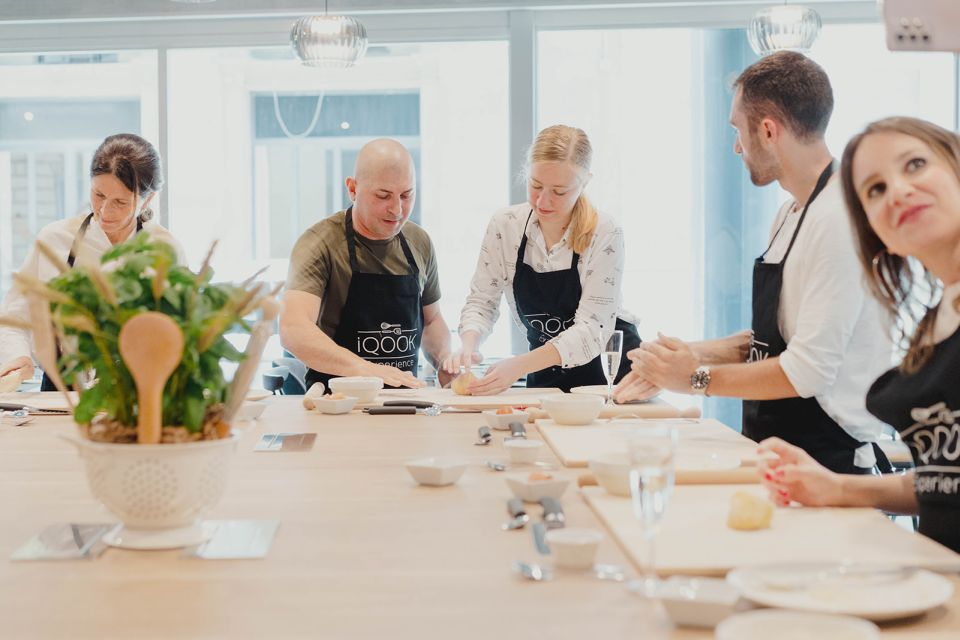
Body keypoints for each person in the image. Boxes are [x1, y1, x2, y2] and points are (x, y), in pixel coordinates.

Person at [614, 51, 892, 475]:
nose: (736, 147)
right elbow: (773, 338)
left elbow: (807, 371)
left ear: (767, 130)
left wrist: (694, 379)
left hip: (830, 461)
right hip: (778, 449)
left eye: (738, 130)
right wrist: (684, 355)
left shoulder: (838, 219)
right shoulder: (791, 214)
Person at [759, 116, 960, 553]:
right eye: (876, 190)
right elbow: (945, 481)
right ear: (879, 235)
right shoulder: (935, 324)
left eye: (915, 165)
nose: (898, 191)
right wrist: (835, 488)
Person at [442, 124, 641, 395]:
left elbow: (592, 330)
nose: (543, 200)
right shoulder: (505, 225)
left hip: (608, 379)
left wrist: (518, 366)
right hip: (544, 374)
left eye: (559, 191)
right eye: (535, 185)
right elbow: (482, 302)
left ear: (585, 182)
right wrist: (468, 345)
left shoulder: (605, 232)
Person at [0, 133, 185, 390]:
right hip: (62, 393)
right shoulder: (55, 239)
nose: (104, 211)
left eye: (120, 202)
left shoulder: (165, 249)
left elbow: (181, 332)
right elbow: (13, 317)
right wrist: (17, 357)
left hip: (140, 391)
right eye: (98, 195)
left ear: (148, 199)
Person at [280, 138, 452, 390]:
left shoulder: (419, 241)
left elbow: (432, 321)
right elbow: (293, 328)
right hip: (337, 406)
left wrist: (445, 362)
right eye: (383, 196)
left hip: (406, 402)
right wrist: (364, 369)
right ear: (352, 189)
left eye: (406, 195)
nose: (397, 210)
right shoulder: (320, 243)